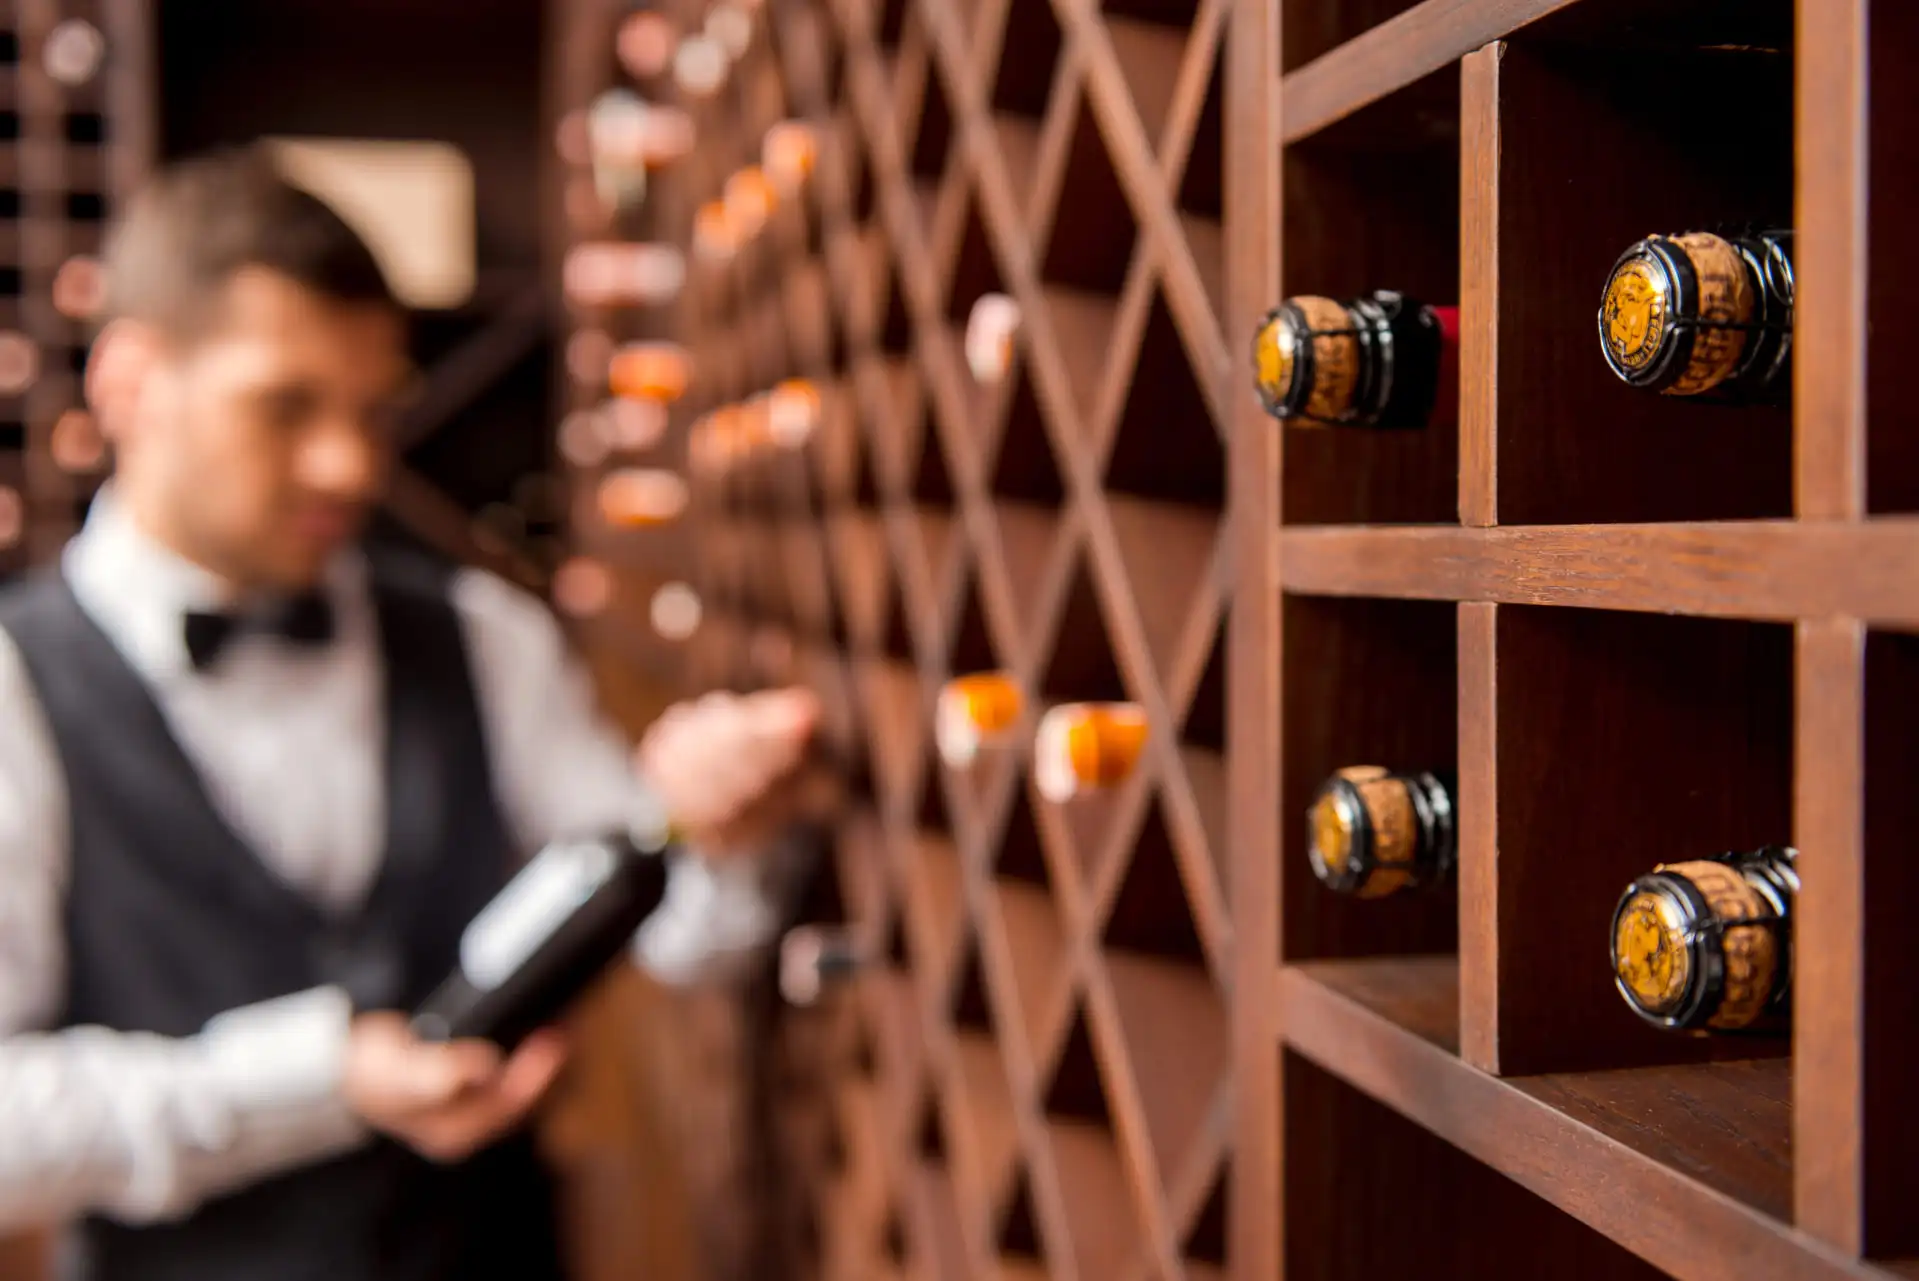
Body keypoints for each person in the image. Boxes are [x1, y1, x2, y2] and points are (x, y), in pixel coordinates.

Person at [0, 145, 823, 1281]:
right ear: (130, 383)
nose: (347, 464)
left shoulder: (487, 635)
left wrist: (714, 834)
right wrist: (323, 1080)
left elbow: (688, 940)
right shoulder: (12, 690)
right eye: (285, 408)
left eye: (367, 411)